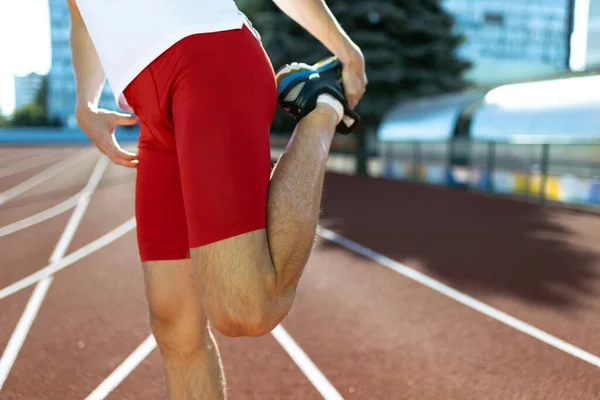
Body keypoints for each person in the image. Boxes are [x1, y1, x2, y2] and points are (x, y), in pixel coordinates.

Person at [67, 0, 367, 398]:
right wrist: (85, 100)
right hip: (148, 105)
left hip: (209, 58)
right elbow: (82, 15)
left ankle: (322, 106)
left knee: (247, 309)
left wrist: (346, 51)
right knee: (174, 324)